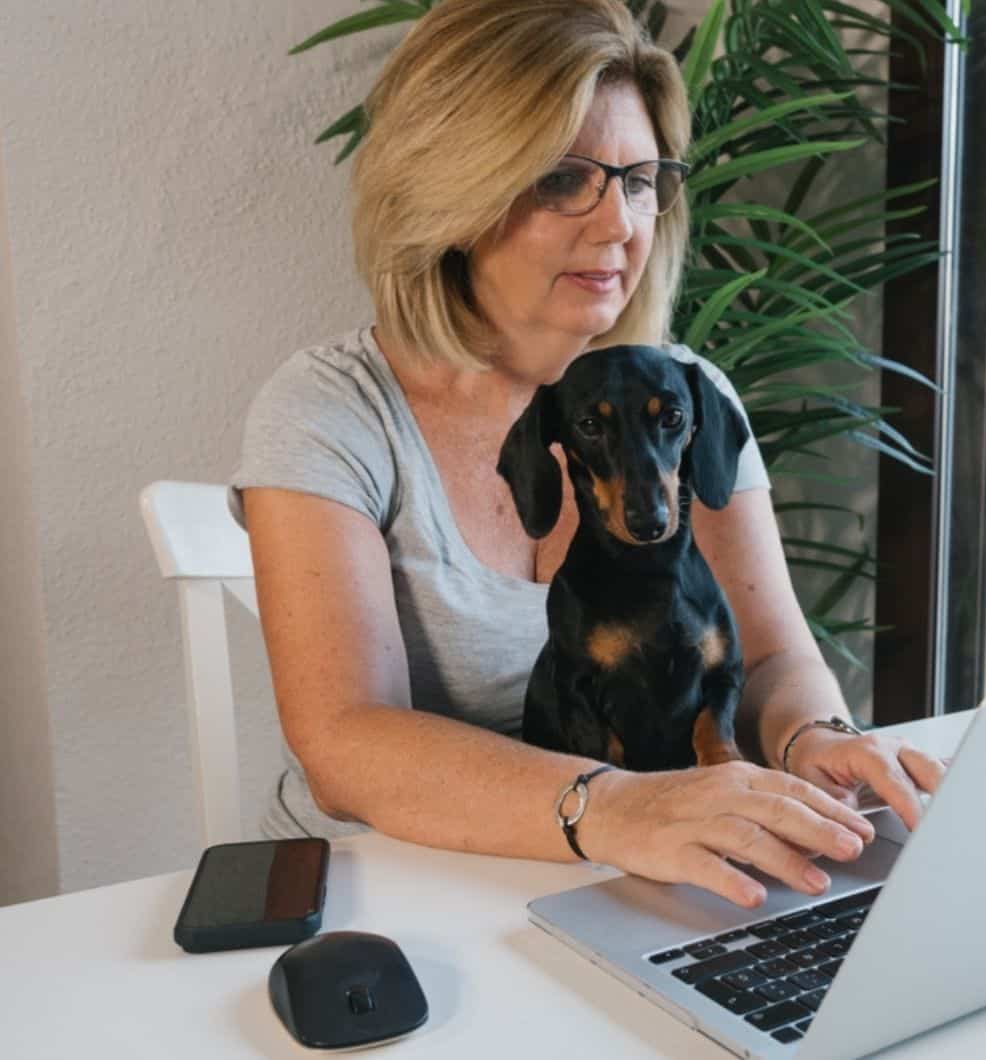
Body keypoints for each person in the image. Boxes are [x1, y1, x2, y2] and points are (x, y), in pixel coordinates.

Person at [230, 0, 945, 911]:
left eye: (641, 181)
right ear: (449, 191)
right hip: (385, 898)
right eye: (566, 179)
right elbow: (345, 743)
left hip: (622, 878)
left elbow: (766, 660)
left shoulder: (687, 396)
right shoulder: (333, 410)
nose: (621, 226)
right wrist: (610, 807)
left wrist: (816, 737)